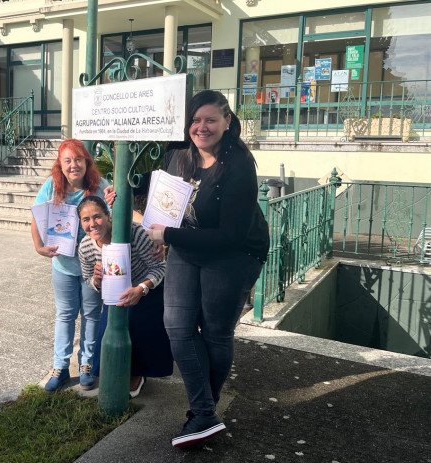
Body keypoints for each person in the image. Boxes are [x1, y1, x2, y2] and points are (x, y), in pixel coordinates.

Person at [145, 90, 270, 448]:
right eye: (195, 120)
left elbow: (231, 237)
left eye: (210, 119)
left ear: (227, 121)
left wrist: (167, 233)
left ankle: (202, 415)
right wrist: (129, 191)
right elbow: (165, 197)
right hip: (189, 244)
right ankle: (205, 413)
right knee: (177, 327)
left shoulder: (239, 166)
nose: (201, 127)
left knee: (215, 332)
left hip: (235, 254)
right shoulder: (178, 154)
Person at [31, 139, 114, 392]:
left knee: (91, 315)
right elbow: (35, 217)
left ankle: (86, 364)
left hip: (93, 266)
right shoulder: (52, 186)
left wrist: (115, 197)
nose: (73, 165)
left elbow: (114, 214)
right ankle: (61, 367)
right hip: (64, 266)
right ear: (61, 164)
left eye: (78, 159)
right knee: (65, 315)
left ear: (87, 162)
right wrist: (38, 247)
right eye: (67, 160)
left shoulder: (99, 186)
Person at [77, 195, 173, 398]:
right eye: (86, 220)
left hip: (146, 292)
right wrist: (96, 281)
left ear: (108, 215)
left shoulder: (133, 233)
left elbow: (158, 267)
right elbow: (87, 278)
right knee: (106, 335)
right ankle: (118, 369)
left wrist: (142, 289)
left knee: (138, 326)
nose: (92, 224)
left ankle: (138, 374)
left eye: (97, 217)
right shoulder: (85, 246)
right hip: (115, 297)